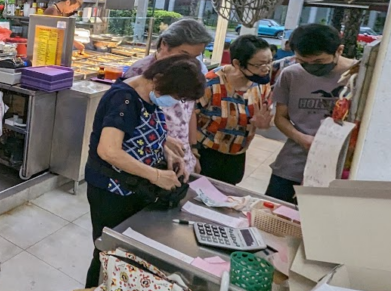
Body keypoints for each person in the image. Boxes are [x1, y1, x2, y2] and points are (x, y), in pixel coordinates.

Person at [84, 56, 207, 287]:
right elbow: (109, 150)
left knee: (127, 254)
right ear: (158, 79)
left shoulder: (150, 97)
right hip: (112, 191)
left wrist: (167, 150)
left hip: (133, 188)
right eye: (177, 96)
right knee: (107, 252)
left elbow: (140, 131)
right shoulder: (124, 99)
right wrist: (157, 175)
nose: (175, 102)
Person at [267, 24, 356, 203]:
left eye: (318, 62)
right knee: (272, 214)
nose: (310, 67)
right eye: (302, 61)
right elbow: (280, 118)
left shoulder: (359, 76)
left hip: (338, 171)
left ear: (339, 50)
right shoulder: (290, 75)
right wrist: (301, 138)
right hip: (292, 165)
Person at [127, 18, 213, 176]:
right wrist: (162, 140)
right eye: (184, 54)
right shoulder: (140, 73)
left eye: (195, 56)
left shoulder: (191, 71)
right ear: (164, 44)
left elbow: (190, 111)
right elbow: (129, 125)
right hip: (148, 158)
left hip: (182, 156)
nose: (189, 61)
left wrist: (193, 150)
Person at [193, 35, 273, 185]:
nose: (266, 68)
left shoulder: (261, 84)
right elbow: (190, 116)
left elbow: (262, 119)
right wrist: (193, 151)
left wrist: (263, 125)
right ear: (237, 63)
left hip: (237, 153)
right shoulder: (210, 83)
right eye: (259, 64)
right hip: (206, 152)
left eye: (269, 62)